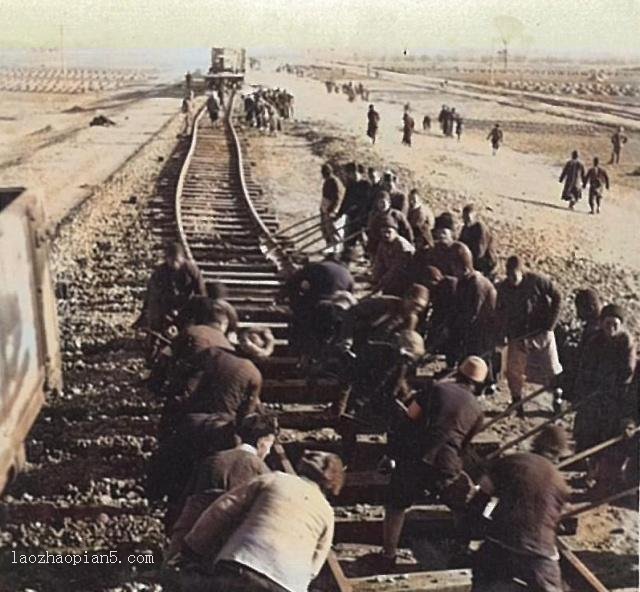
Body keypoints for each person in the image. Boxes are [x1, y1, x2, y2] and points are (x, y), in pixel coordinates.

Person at [169, 451, 345, 592]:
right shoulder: (327, 513)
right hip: (287, 585)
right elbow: (314, 566)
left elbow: (222, 509)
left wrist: (192, 548)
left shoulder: (276, 479)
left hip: (243, 564)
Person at [381, 356, 487, 565]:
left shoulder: (436, 389)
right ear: (479, 384)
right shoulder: (478, 411)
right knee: (461, 505)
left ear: (457, 373)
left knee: (396, 506)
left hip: (415, 456)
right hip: (446, 464)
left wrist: (392, 453)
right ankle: (461, 549)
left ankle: (388, 555)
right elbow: (463, 447)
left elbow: (409, 417)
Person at [471, 426, 571, 592]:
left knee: (482, 578)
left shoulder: (511, 462)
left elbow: (481, 495)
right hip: (539, 551)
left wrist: (477, 526)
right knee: (552, 588)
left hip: (501, 539)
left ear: (535, 445)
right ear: (557, 455)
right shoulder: (561, 485)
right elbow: (553, 520)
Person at [168, 413, 278, 547]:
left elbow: (184, 503)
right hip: (229, 542)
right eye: (270, 445)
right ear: (262, 443)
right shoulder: (262, 471)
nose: (269, 452)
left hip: (192, 536)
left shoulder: (211, 460)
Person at [496, 256, 563, 417]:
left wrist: (550, 324)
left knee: (552, 367)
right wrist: (503, 333)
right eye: (509, 276)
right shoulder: (503, 288)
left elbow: (557, 296)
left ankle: (558, 397)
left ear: (522, 272)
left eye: (515, 276)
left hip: (541, 332)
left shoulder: (537, 280)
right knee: (513, 371)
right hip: (518, 335)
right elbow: (501, 311)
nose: (512, 280)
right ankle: (516, 401)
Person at [573, 304, 637, 456]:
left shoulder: (626, 343)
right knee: (584, 418)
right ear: (601, 323)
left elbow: (626, 372)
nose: (611, 328)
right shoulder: (595, 340)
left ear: (621, 325)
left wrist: (609, 387)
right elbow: (586, 365)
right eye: (608, 324)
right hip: (596, 387)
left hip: (616, 392)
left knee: (606, 424)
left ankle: (597, 461)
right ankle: (581, 455)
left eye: (615, 324)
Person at [137, 242, 207, 337]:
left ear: (182, 259)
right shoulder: (160, 272)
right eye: (171, 260)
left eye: (177, 260)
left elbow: (201, 292)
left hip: (186, 304)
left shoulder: (192, 270)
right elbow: (151, 293)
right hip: (166, 304)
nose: (174, 263)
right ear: (167, 259)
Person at [449, 243, 497, 368]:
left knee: (477, 360)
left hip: (483, 329)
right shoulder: (462, 281)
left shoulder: (477, 283)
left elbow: (473, 313)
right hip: (472, 328)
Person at [335, 162, 372, 261]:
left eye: (355, 174)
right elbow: (345, 201)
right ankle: (347, 256)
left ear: (359, 173)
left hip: (363, 218)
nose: (353, 176)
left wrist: (359, 211)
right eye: (351, 174)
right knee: (349, 237)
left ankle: (369, 257)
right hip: (352, 217)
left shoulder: (366, 185)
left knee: (364, 238)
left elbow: (367, 202)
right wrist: (339, 214)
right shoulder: (351, 185)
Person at [372, 221, 416, 296]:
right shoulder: (383, 243)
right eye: (383, 232)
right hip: (391, 274)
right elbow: (378, 262)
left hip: (405, 276)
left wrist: (383, 281)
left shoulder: (402, 245)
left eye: (389, 232)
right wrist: (376, 279)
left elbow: (397, 267)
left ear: (395, 232)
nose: (386, 235)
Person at [366, 192, 413, 257]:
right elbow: (372, 234)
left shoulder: (396, 214)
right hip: (381, 246)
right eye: (380, 203)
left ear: (389, 203)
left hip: (396, 245)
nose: (382, 205)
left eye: (384, 202)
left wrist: (410, 242)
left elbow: (407, 229)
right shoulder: (375, 217)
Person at [458, 204, 497, 278]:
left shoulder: (480, 229)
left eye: (468, 218)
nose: (466, 220)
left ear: (475, 217)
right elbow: (460, 244)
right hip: (473, 259)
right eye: (464, 218)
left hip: (486, 264)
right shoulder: (465, 228)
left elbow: (479, 252)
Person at [319, 163, 344, 252]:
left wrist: (332, 209)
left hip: (331, 209)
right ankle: (329, 245)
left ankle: (336, 248)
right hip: (325, 208)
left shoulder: (334, 181)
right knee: (325, 228)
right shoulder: (327, 181)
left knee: (332, 229)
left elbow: (338, 197)